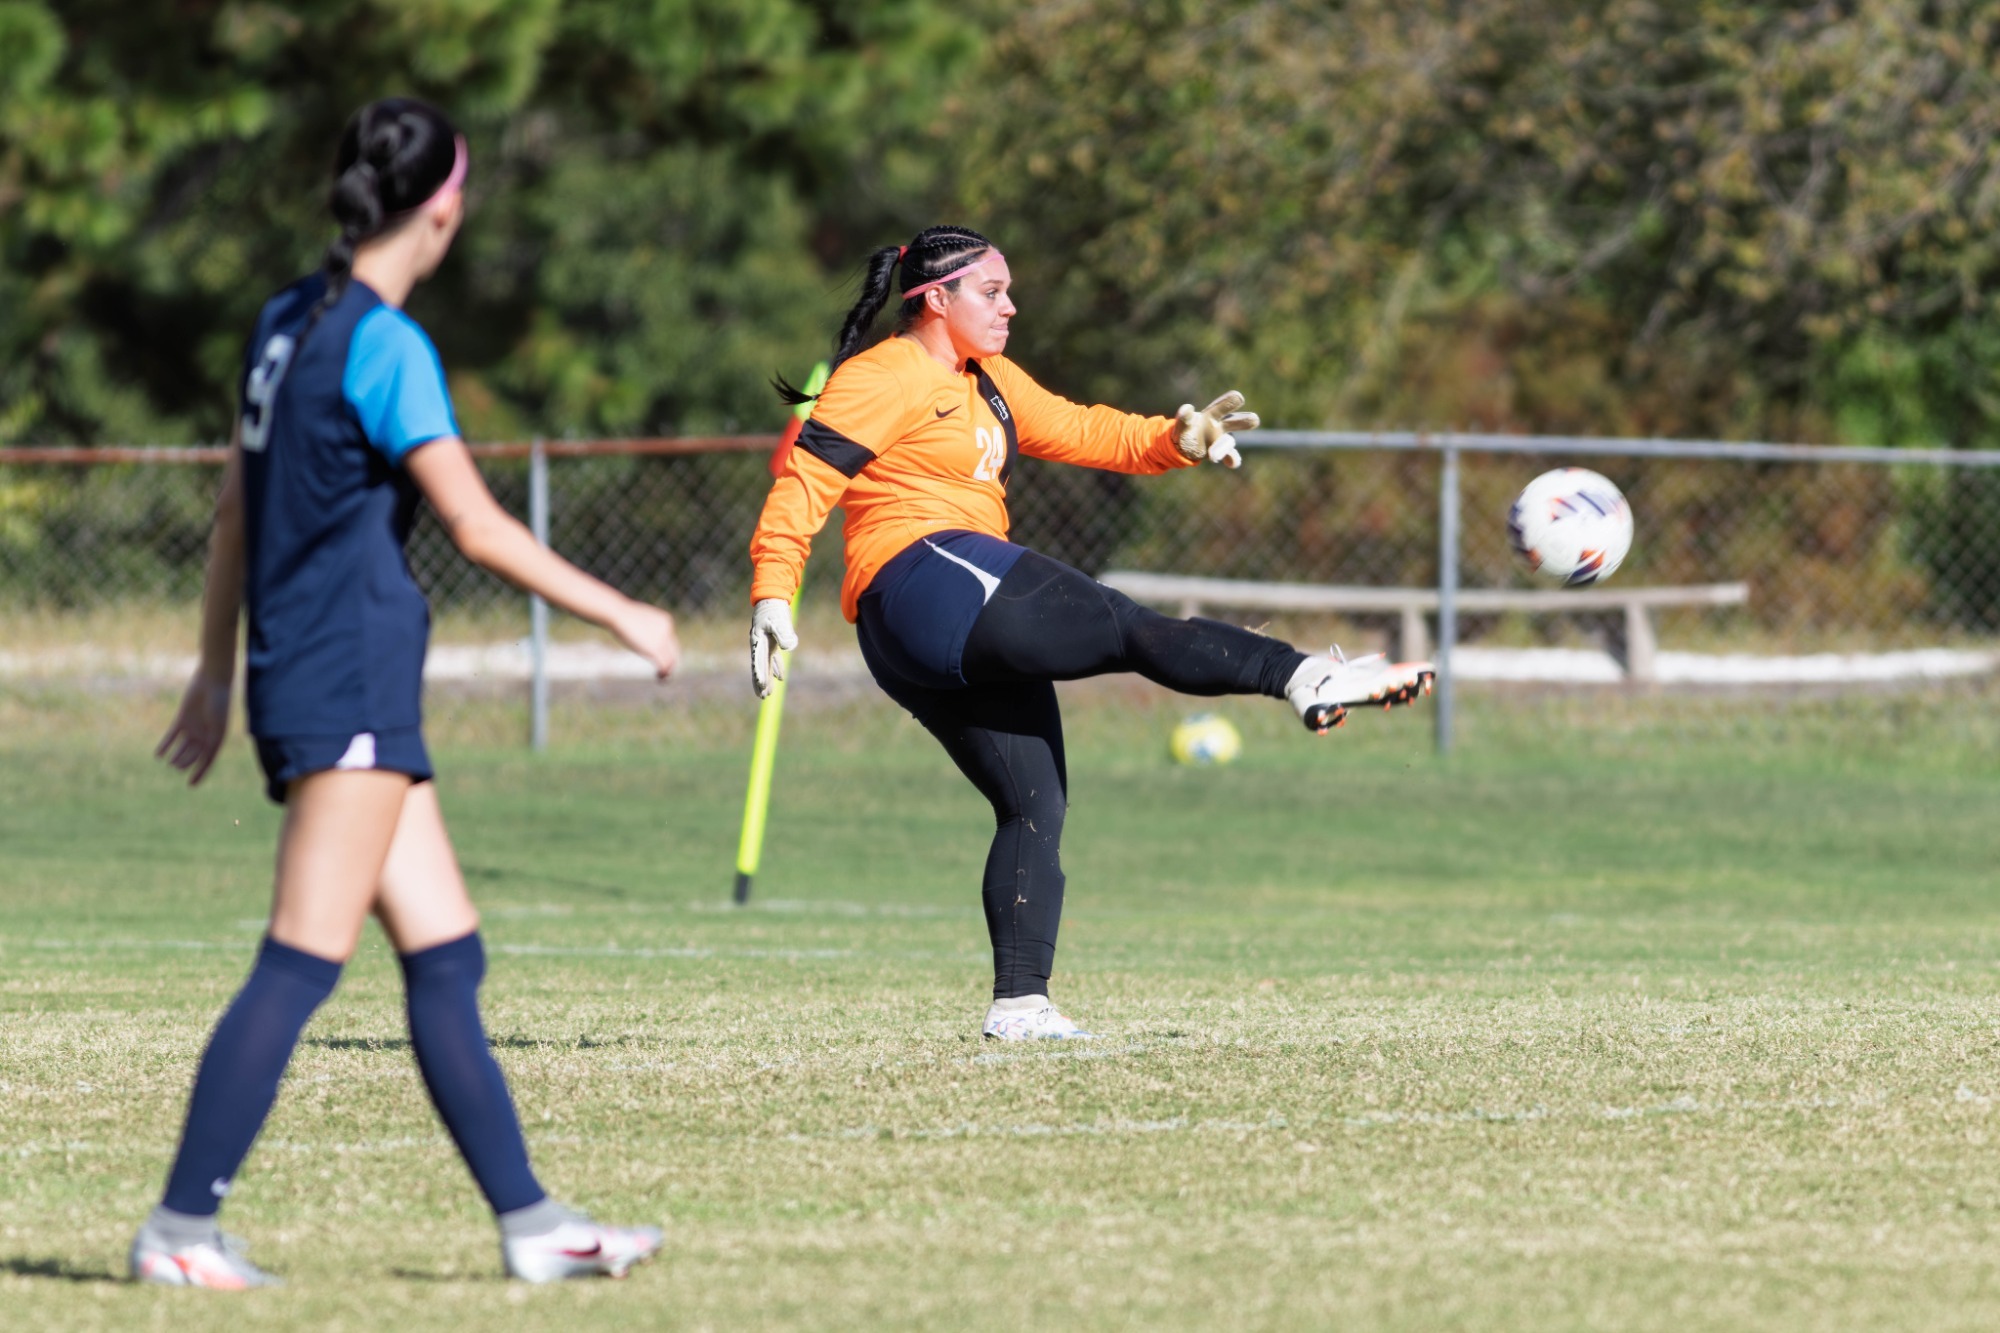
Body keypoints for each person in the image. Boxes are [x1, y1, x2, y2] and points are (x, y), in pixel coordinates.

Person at [134, 98, 674, 1288]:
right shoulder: (383, 341)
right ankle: (178, 1233)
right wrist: (624, 613)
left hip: (310, 671)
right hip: (347, 678)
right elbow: (477, 526)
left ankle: (533, 1225)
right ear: (444, 207)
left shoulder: (285, 319)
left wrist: (216, 672)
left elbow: (233, 511)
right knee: (301, 960)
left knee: (445, 956)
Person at [747, 225, 1434, 1041]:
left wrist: (1172, 441)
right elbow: (806, 481)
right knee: (1125, 626)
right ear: (935, 299)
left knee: (1033, 805)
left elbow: (1080, 429)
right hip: (923, 575)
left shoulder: (988, 379)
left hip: (923, 628)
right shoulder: (885, 374)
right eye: (991, 292)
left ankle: (1020, 1005)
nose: (1011, 305)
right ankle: (1302, 676)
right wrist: (771, 590)